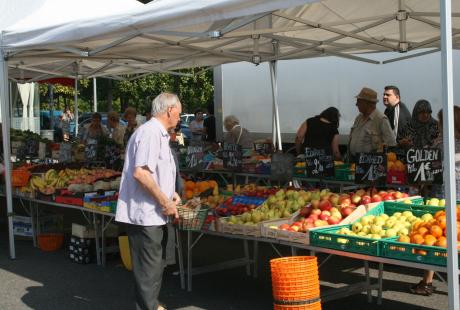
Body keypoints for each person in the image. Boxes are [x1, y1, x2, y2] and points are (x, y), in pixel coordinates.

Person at [115, 92, 182, 310]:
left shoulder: (156, 133)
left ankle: (151, 305)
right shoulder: (151, 133)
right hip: (146, 215)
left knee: (153, 268)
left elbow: (154, 171)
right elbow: (141, 173)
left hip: (153, 213)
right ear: (169, 110)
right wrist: (165, 201)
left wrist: (170, 192)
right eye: (179, 114)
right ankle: (149, 307)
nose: (180, 118)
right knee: (148, 269)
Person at [410, 106, 460, 296]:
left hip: (444, 195)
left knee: (434, 235)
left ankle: (427, 282)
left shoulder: (442, 142)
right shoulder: (441, 141)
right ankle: (428, 281)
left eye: (440, 121)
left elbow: (428, 163)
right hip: (451, 193)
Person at [348, 87, 396, 159]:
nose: (356, 104)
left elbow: (391, 144)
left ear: (367, 103)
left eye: (359, 101)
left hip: (369, 165)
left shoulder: (381, 119)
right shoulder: (359, 118)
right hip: (354, 162)